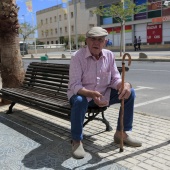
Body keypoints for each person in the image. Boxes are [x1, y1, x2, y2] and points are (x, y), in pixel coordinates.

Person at [67, 27, 142, 159]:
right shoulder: (77, 57)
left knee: (130, 93)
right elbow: (74, 85)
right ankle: (77, 140)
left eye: (100, 40)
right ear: (87, 41)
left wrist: (124, 85)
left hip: (103, 95)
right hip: (82, 95)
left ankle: (121, 134)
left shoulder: (109, 55)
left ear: (105, 42)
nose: (96, 43)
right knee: (79, 100)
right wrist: (91, 94)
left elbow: (115, 78)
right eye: (93, 39)